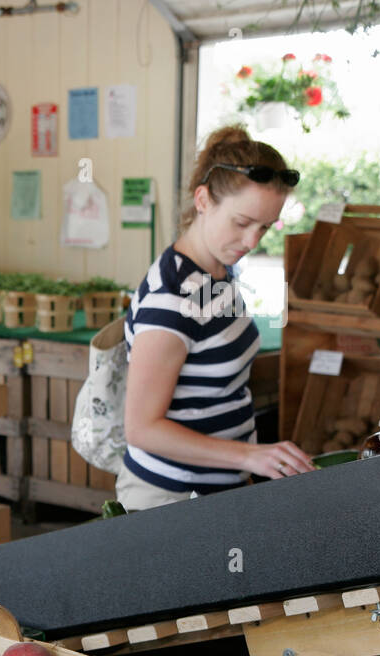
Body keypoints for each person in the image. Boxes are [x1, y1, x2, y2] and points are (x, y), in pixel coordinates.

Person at [118, 125, 314, 511]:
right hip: (171, 498)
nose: (252, 241)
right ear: (203, 200)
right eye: (242, 223)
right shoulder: (171, 298)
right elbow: (141, 428)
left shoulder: (218, 271)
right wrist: (248, 456)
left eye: (264, 226)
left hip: (219, 490)